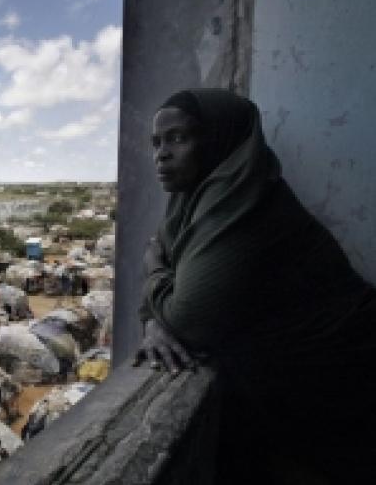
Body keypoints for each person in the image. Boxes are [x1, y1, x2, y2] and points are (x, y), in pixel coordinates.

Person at [134, 88, 376, 483]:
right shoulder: (194, 206)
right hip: (297, 396)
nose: (161, 154)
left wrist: (153, 272)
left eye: (179, 138)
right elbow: (168, 293)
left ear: (219, 140)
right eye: (156, 142)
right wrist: (153, 321)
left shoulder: (246, 209)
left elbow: (189, 318)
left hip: (348, 386)